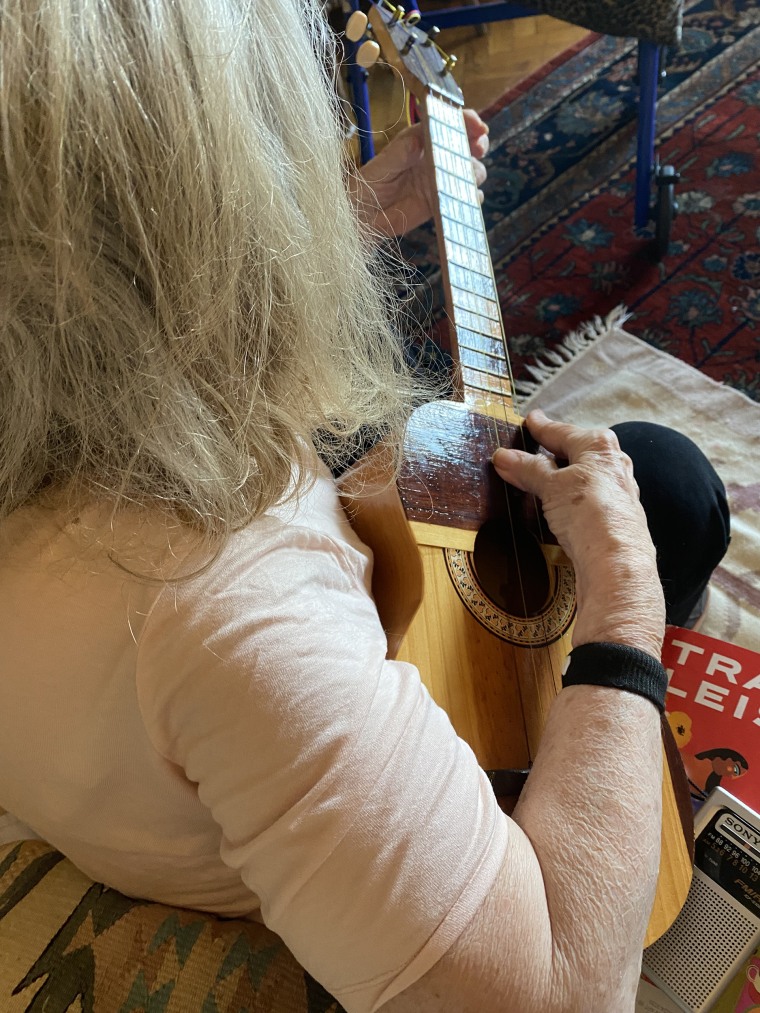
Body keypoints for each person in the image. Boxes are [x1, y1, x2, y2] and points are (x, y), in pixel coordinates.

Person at [0, 3, 728, 1013]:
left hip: (185, 726)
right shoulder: (221, 600)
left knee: (655, 473)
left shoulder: (59, 393)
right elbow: (561, 994)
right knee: (660, 502)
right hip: (319, 886)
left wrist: (346, 215)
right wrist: (623, 614)